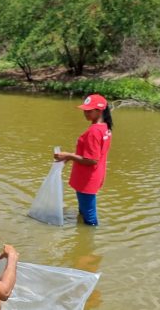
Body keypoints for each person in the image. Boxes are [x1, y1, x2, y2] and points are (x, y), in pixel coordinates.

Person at [54, 94, 113, 226]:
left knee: (90, 217)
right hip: (95, 175)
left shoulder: (94, 131)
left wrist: (68, 155)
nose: (85, 113)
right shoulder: (105, 127)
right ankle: (82, 236)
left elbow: (92, 160)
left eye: (89, 110)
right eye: (84, 110)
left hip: (87, 178)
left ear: (99, 110)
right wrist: (69, 157)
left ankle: (88, 241)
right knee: (84, 210)